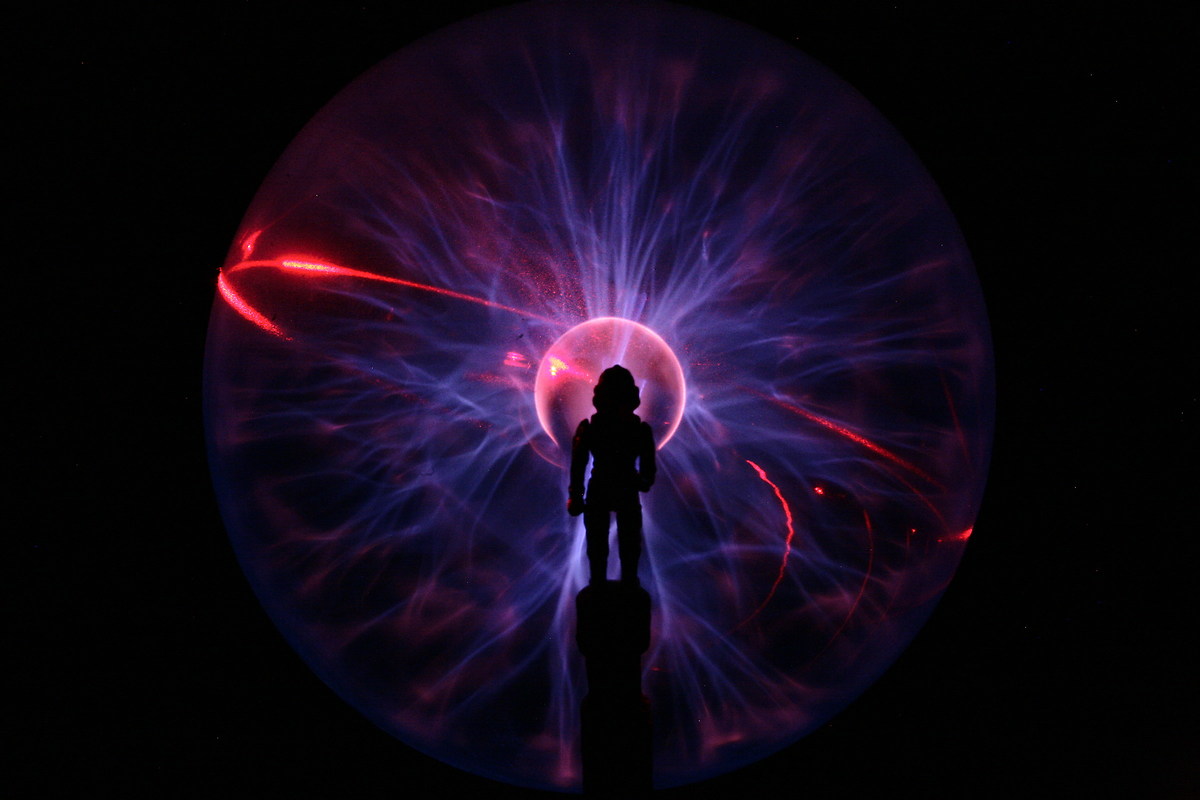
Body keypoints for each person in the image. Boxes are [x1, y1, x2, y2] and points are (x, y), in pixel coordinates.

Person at [568, 365, 656, 585]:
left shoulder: (591, 428)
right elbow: (648, 469)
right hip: (622, 486)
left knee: (616, 542)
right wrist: (643, 480)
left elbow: (578, 465)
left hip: (606, 485)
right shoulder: (639, 430)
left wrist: (576, 495)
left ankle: (606, 583)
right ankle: (618, 583)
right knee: (618, 542)